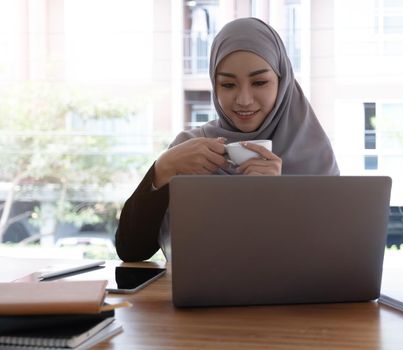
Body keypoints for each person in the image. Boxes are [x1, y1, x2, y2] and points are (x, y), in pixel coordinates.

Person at [115, 17, 339, 262]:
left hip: (295, 299)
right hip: (198, 296)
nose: (243, 99)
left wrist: (278, 197)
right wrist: (162, 169)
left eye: (260, 82)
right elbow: (131, 251)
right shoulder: (189, 150)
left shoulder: (313, 151)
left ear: (282, 81)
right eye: (228, 84)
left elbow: (330, 254)